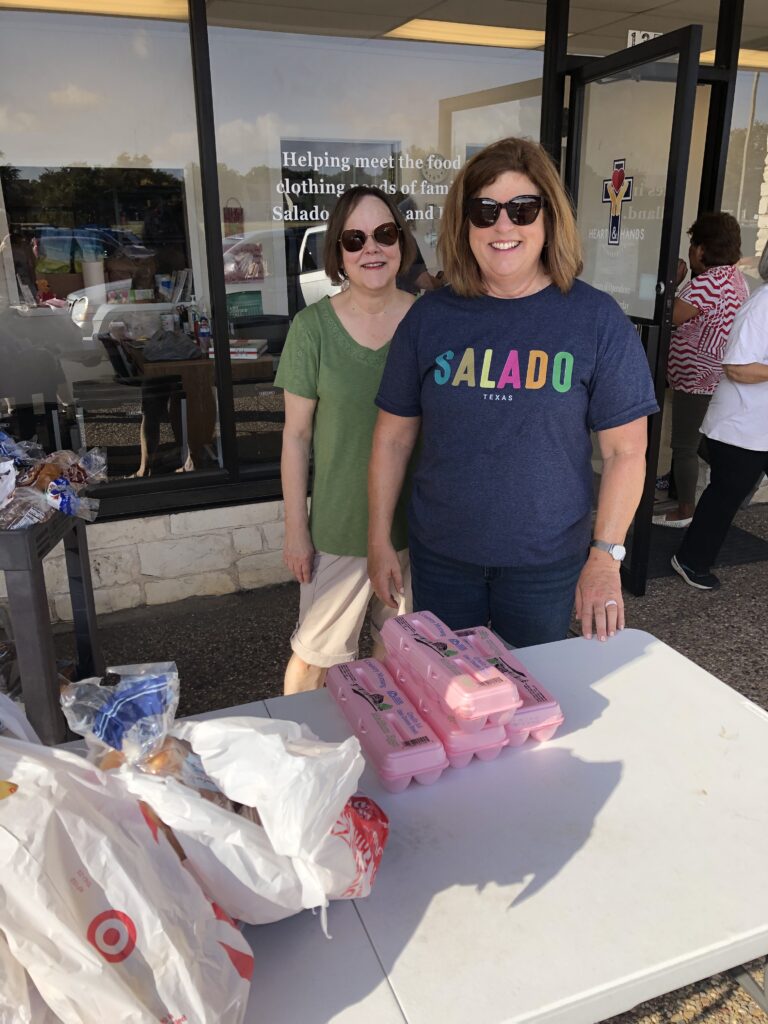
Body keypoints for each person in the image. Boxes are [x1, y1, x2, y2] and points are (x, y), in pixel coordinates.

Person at [367, 136, 658, 647]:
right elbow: (392, 439)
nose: (505, 225)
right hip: (442, 557)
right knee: (453, 695)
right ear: (466, 224)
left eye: (523, 209)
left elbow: (626, 450)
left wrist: (605, 558)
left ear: (548, 219)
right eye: (486, 210)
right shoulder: (430, 318)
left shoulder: (595, 320)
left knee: (534, 697)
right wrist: (378, 539)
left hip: (545, 566)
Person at [275, 186, 418, 694]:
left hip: (415, 528)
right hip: (340, 526)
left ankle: (379, 758)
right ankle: (300, 759)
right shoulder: (312, 328)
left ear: (402, 242)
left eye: (384, 234)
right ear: (338, 252)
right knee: (315, 662)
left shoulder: (430, 321)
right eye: (355, 239)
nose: (371, 249)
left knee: (396, 657)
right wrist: (297, 527)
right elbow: (295, 437)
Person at [671, 241, 768, 590]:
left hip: (761, 427)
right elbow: (738, 368)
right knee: (725, 495)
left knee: (727, 493)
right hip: (741, 427)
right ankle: (689, 560)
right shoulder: (762, 304)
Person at [653, 213, 749, 527]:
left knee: (684, 446)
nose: (692, 250)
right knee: (701, 439)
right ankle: (726, 484)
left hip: (695, 378)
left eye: (694, 244)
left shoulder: (706, 284)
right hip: (716, 375)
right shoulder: (734, 278)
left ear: (703, 248)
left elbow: (669, 319)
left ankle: (685, 511)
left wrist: (674, 283)